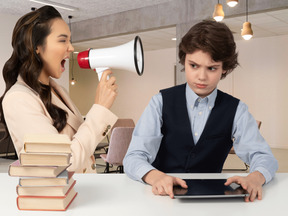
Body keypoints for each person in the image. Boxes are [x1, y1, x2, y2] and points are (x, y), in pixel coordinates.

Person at [123, 20, 278, 202]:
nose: (201, 77)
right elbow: (134, 157)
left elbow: (264, 156)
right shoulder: (160, 102)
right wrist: (155, 176)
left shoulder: (237, 110)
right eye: (193, 66)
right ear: (184, 61)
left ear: (225, 68)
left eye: (212, 68)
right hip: (159, 197)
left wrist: (256, 177)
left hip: (210, 199)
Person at [0, 6, 118, 173]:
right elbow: (64, 161)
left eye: (69, 40)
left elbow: (81, 143)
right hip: (60, 195)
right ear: (37, 47)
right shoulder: (18, 99)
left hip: (80, 191)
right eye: (63, 40)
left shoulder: (58, 90)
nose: (70, 48)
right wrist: (100, 109)